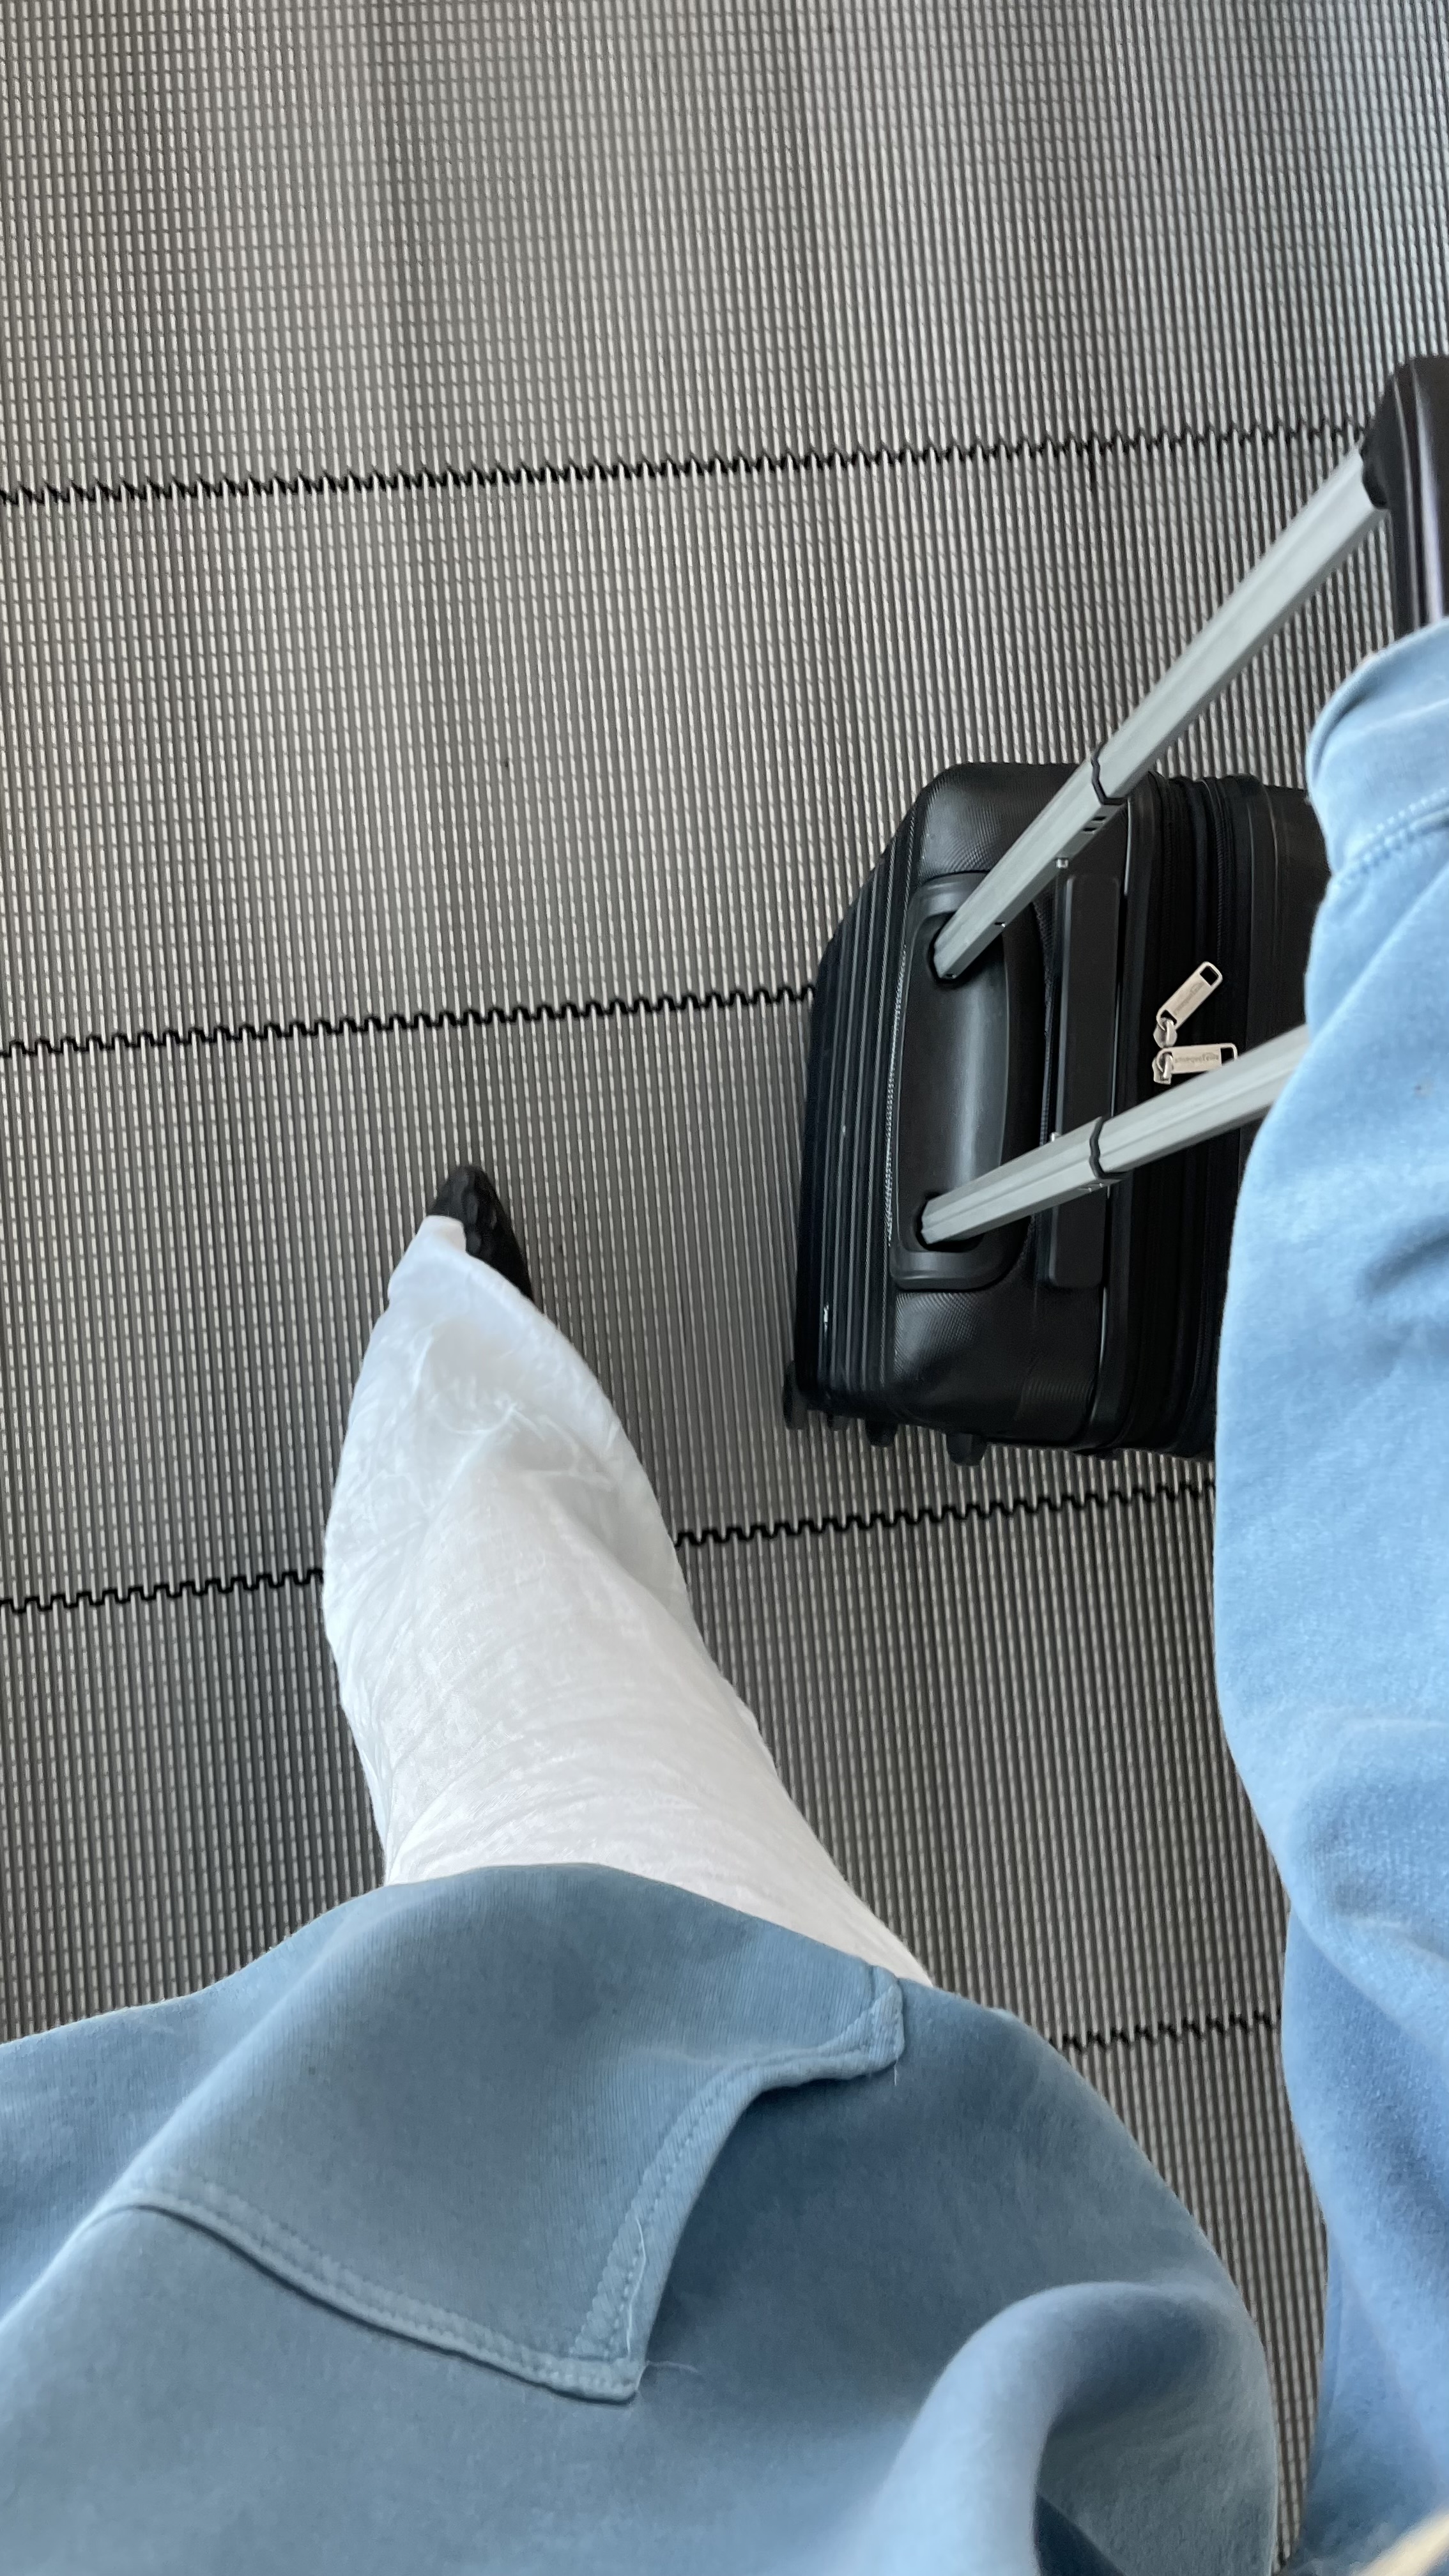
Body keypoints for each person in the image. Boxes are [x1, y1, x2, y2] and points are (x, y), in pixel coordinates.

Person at [1, 622, 1446, 2576]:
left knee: (540, 1720)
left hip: (565, 2349)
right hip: (752, 2365)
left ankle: (455, 1353)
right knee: (544, 1722)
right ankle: (450, 1352)